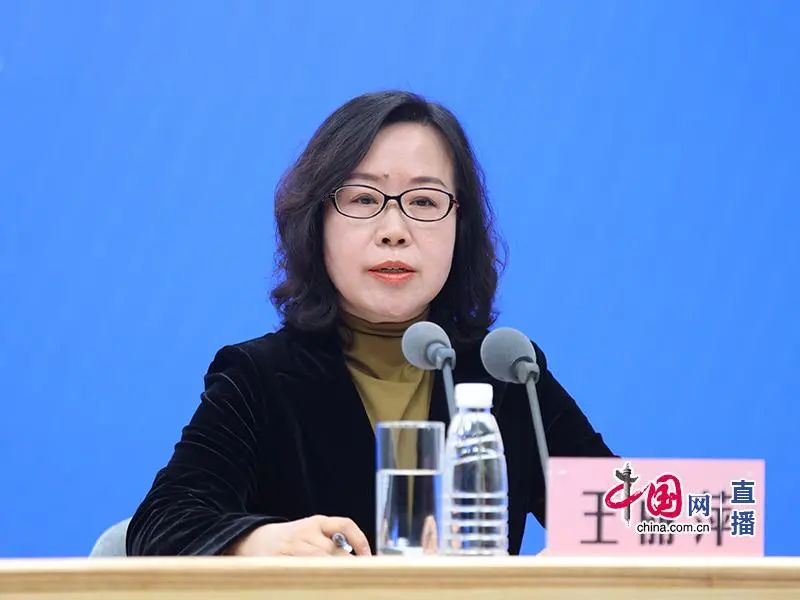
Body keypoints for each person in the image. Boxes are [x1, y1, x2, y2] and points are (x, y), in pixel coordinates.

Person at [126, 90, 614, 557]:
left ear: (459, 225)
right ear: (317, 221)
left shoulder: (506, 373)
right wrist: (258, 542)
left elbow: (634, 519)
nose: (394, 231)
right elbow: (161, 525)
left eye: (424, 201)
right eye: (363, 199)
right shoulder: (259, 377)